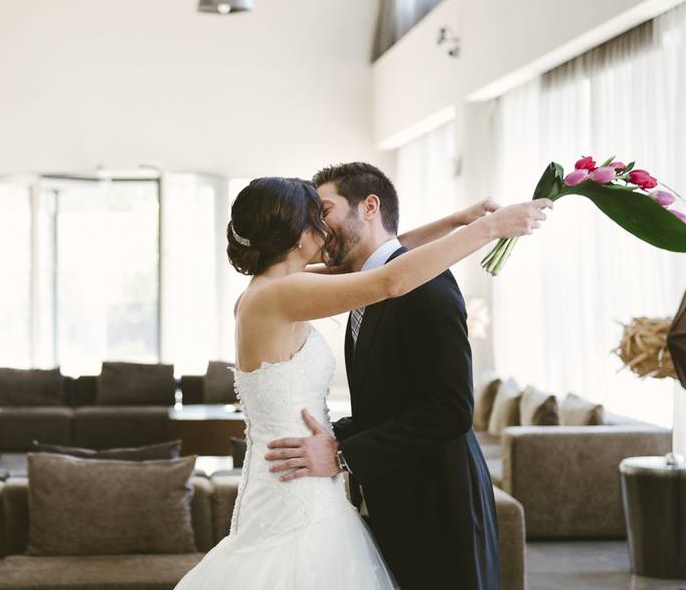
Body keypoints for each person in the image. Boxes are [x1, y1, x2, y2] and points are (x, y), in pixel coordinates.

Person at [175, 172, 551, 589]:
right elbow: (389, 279)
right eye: (317, 217)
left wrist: (455, 221)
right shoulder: (281, 295)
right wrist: (492, 228)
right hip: (297, 487)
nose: (325, 227)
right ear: (300, 235)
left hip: (307, 478)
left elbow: (382, 258)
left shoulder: (272, 288)